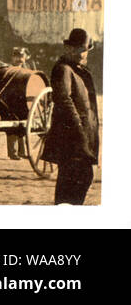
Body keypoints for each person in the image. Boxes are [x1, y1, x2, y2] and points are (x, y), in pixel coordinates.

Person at [41, 28, 99, 205]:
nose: (84, 54)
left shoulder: (77, 70)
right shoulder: (63, 69)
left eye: (86, 49)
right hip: (72, 141)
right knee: (70, 188)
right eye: (82, 49)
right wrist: (80, 132)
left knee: (82, 179)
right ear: (69, 49)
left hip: (81, 140)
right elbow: (64, 101)